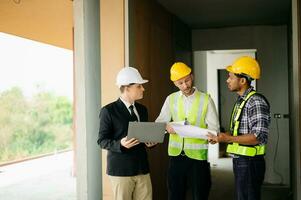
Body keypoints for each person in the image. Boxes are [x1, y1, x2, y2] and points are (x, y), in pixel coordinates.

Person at [207, 56, 271, 200]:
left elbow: (258, 136)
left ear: (242, 81)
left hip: (250, 162)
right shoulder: (242, 101)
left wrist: (228, 138)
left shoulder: (256, 101)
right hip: (241, 161)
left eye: (230, 77)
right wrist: (220, 137)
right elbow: (238, 132)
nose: (227, 80)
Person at [156, 62, 220, 200]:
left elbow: (214, 128)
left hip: (198, 159)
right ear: (175, 83)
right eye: (180, 83)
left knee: (200, 195)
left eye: (187, 80)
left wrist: (212, 138)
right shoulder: (170, 99)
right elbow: (160, 123)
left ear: (192, 76)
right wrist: (167, 128)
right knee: (175, 195)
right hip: (176, 157)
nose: (185, 86)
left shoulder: (206, 99)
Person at [97, 67, 155, 200]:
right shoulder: (108, 111)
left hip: (142, 168)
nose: (143, 89)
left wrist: (150, 142)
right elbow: (101, 140)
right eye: (139, 86)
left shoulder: (142, 109)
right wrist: (120, 144)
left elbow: (143, 135)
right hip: (121, 171)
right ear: (127, 88)